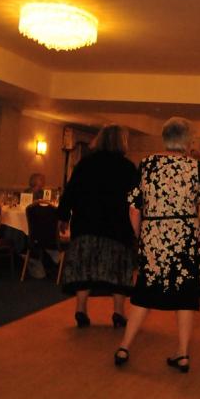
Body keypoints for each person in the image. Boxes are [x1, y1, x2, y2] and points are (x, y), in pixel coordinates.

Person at [114, 118, 200, 373]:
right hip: (185, 236)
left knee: (144, 292)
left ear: (165, 138)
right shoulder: (195, 167)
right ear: (187, 140)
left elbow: (134, 208)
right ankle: (183, 354)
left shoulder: (147, 165)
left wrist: (141, 234)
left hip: (154, 236)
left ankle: (124, 346)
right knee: (185, 296)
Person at [58, 125, 139, 328]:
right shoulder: (128, 167)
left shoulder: (85, 164)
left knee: (84, 267)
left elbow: (70, 192)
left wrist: (63, 216)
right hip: (117, 227)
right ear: (122, 142)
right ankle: (118, 312)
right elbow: (136, 201)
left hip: (86, 223)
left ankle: (81, 309)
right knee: (118, 270)